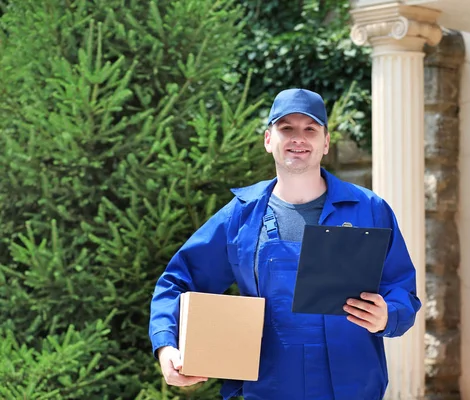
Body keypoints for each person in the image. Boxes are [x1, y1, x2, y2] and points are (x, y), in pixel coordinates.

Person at [148, 88, 421, 400]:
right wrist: (167, 344)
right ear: (268, 140)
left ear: (326, 142)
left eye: (310, 129)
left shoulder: (369, 209)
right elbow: (179, 279)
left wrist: (389, 315)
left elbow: (403, 290)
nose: (298, 138)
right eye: (286, 128)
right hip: (268, 387)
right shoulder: (241, 215)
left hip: (352, 388)